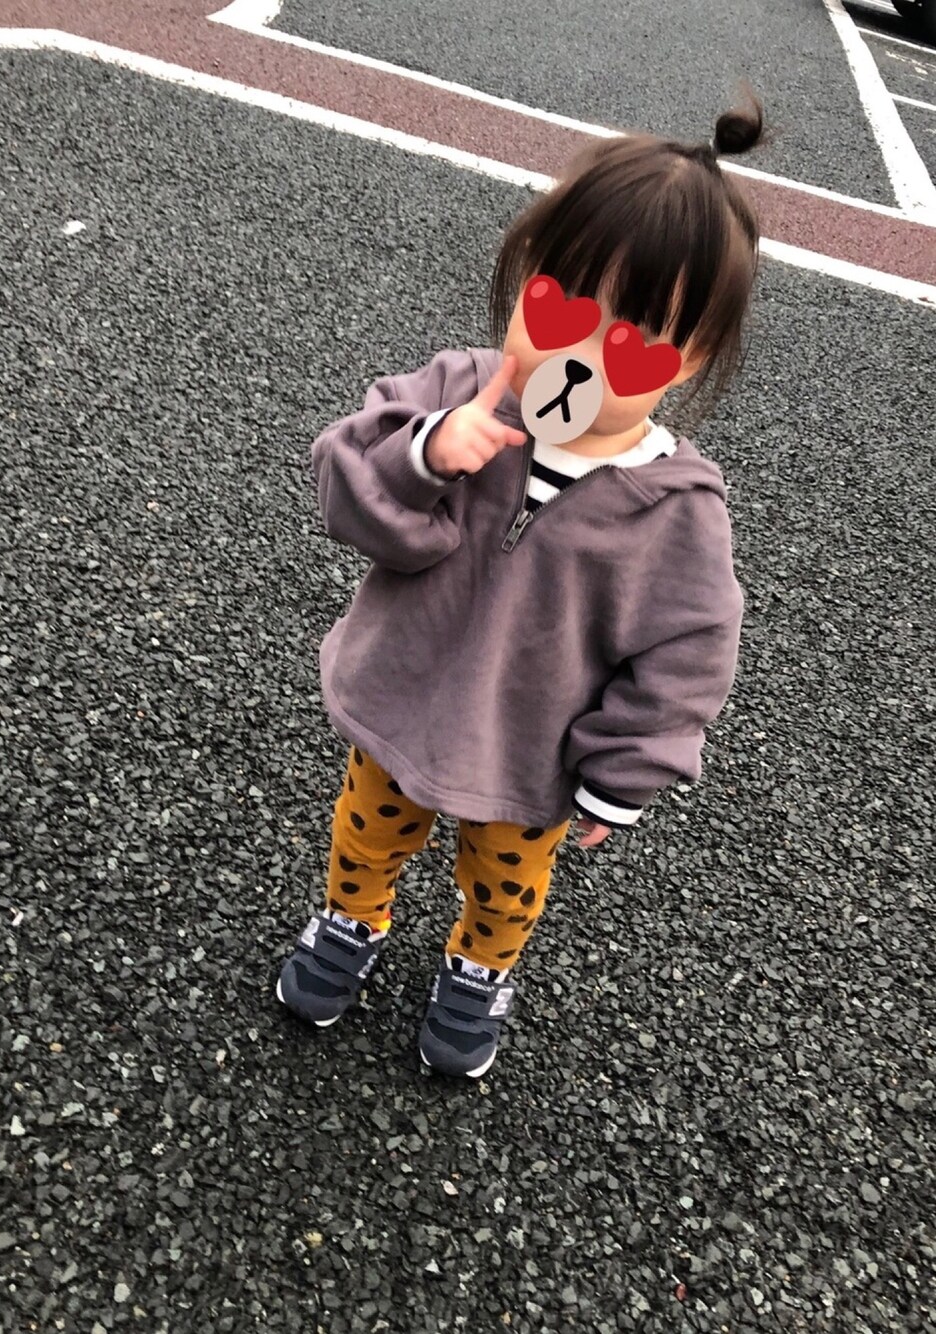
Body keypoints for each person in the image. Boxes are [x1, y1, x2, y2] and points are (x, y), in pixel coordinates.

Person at [276, 96, 765, 1079]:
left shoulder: (676, 507)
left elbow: (689, 651)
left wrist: (624, 770)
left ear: (692, 359)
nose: (578, 354)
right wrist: (425, 452)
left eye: (631, 338)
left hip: (529, 751)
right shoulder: (460, 388)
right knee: (366, 836)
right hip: (401, 699)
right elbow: (345, 482)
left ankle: (477, 970)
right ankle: (352, 920)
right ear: (526, 271)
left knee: (506, 887)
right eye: (561, 304)